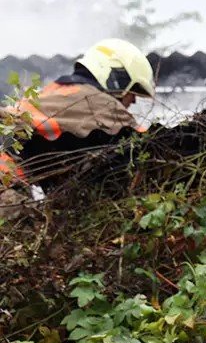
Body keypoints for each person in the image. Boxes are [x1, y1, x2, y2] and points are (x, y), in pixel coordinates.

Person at [0, 38, 154, 214]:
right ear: (115, 78)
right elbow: (146, 140)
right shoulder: (97, 102)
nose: (133, 100)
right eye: (133, 90)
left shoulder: (58, 91)